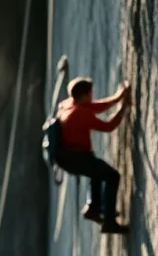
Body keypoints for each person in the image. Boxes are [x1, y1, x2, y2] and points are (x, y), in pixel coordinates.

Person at [55, 75, 132, 233]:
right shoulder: (79, 114)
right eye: (90, 94)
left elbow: (95, 107)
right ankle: (109, 221)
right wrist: (124, 106)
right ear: (83, 95)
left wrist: (119, 97)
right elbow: (109, 126)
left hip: (69, 157)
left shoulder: (69, 104)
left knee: (96, 171)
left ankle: (93, 208)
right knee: (111, 176)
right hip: (75, 159)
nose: (92, 96)